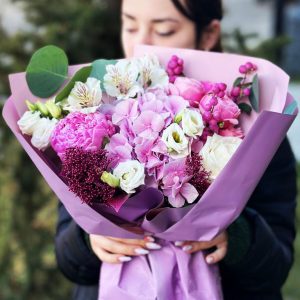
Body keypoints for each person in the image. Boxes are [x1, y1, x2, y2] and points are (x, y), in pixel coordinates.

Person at [55, 1, 297, 299]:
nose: (141, 42)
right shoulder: (92, 123)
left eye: (164, 30)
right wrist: (90, 236)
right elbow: (67, 258)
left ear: (208, 35)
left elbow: (276, 267)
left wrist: (234, 236)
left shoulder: (256, 132)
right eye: (130, 25)